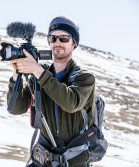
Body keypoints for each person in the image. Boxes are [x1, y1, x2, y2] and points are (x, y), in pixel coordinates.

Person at [7, 16, 95, 167]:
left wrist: (37, 70)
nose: (57, 43)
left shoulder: (85, 78)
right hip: (45, 160)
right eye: (53, 38)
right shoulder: (40, 74)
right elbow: (15, 108)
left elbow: (71, 103)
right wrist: (16, 75)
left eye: (64, 39)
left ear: (74, 43)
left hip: (74, 161)